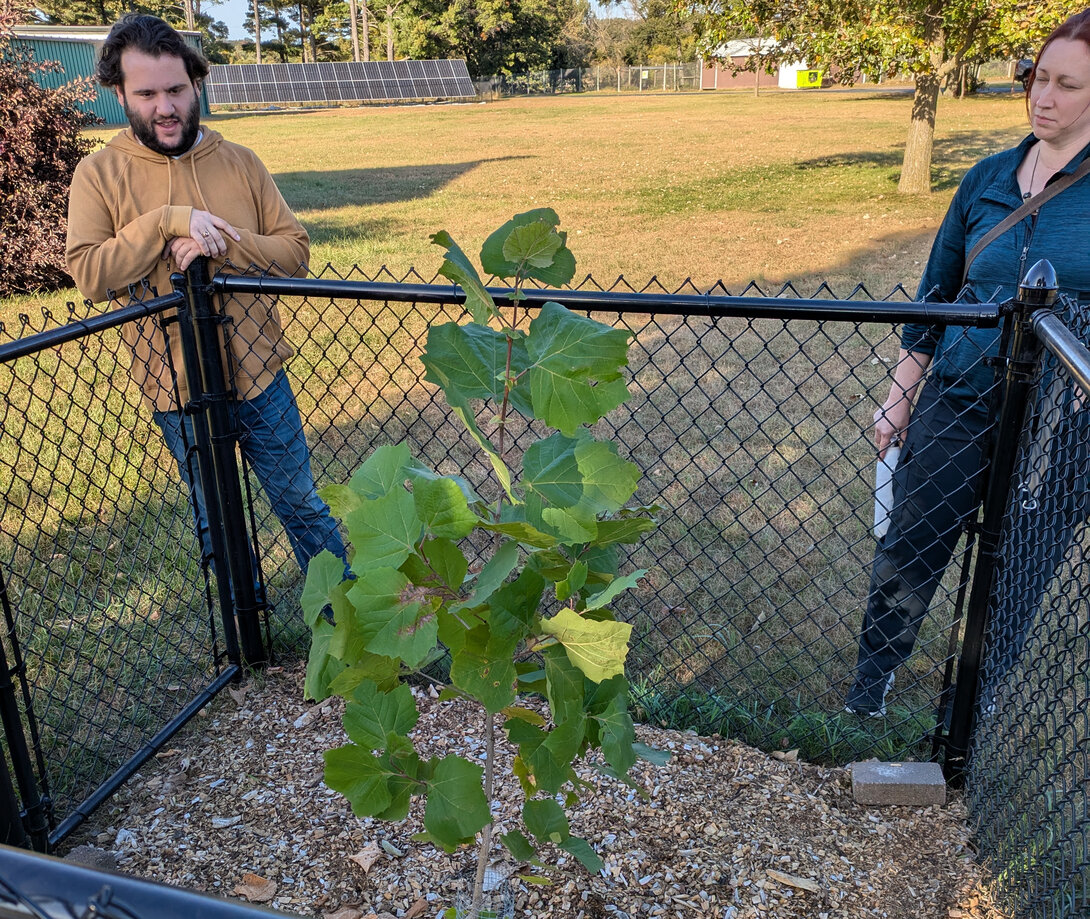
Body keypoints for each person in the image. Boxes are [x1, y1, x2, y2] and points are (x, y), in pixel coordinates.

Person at [844, 9, 1090, 717]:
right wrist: (898, 397)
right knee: (911, 542)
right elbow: (937, 294)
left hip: (1061, 421)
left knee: (1021, 565)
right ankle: (870, 691)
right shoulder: (986, 178)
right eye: (1037, 78)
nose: (1043, 97)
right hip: (962, 392)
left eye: (1067, 85)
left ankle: (970, 706)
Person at [66, 14, 347, 596]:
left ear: (197, 84)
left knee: (302, 505)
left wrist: (221, 242)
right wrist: (167, 222)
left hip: (260, 378)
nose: (163, 107)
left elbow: (295, 252)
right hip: (177, 388)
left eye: (175, 90)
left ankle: (346, 623)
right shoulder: (98, 174)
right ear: (120, 94)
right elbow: (92, 274)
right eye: (145, 94)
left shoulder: (240, 161)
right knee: (216, 522)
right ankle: (247, 647)